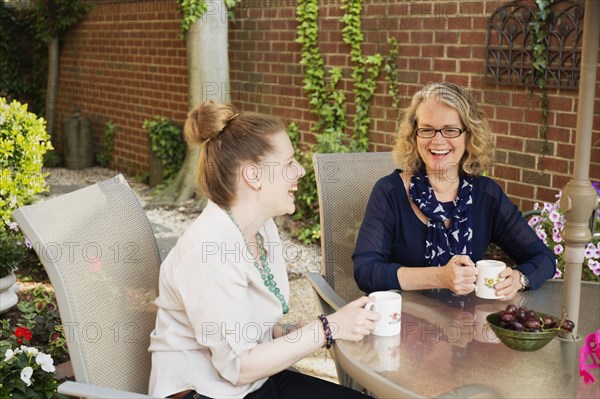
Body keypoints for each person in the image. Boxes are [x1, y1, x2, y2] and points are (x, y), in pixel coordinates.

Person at [148, 100, 378, 399]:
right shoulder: (209, 250)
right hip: (204, 392)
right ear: (253, 175)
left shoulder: (261, 227)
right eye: (288, 164)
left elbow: (247, 329)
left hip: (253, 384)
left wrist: (291, 332)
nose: (300, 172)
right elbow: (239, 365)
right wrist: (328, 327)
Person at [353, 82, 556, 300]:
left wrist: (518, 279)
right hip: (404, 322)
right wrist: (439, 277)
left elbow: (543, 258)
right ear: (414, 136)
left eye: (450, 130)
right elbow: (366, 272)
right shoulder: (390, 192)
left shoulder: (486, 195)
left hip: (470, 322)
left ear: (469, 137)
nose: (438, 140)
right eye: (427, 129)